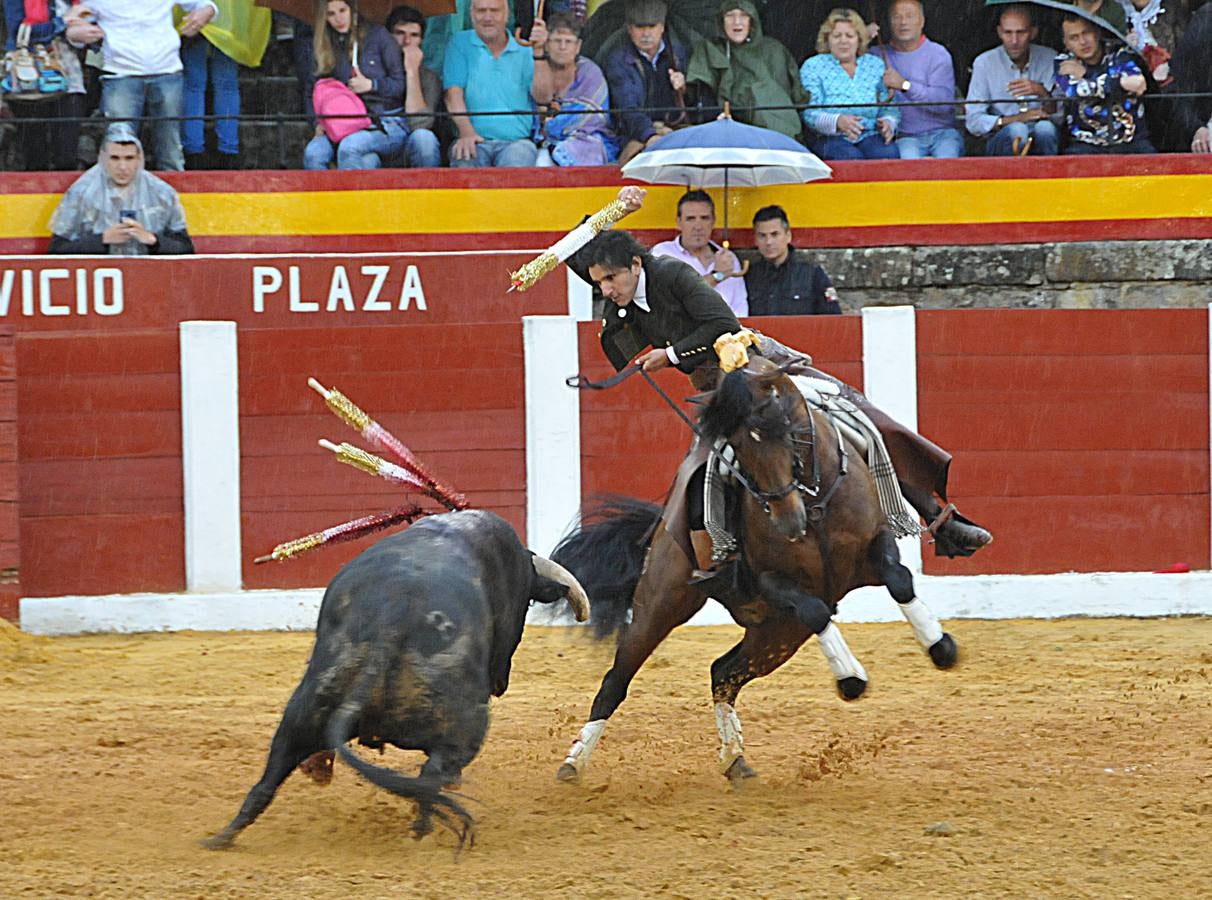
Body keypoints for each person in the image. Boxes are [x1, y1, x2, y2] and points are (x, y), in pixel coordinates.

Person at [569, 186, 992, 578]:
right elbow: (585, 269)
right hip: (716, 387)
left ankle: (943, 520)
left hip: (760, 366)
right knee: (694, 472)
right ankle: (721, 556)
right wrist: (599, 221)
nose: (605, 289)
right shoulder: (625, 304)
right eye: (599, 282)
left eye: (611, 280)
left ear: (635, 265)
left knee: (857, 415)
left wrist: (672, 355)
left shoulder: (673, 274)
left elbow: (722, 323)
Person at [64, 0, 218, 171]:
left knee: (170, 150)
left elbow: (205, 5)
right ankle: (118, 196)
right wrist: (76, 33)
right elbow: (75, 26)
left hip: (167, 71)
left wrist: (206, 13)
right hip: (120, 75)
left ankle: (173, 194)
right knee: (118, 148)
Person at [48, 122, 194, 256]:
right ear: (103, 158)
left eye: (129, 158)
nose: (122, 167)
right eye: (115, 158)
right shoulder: (80, 192)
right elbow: (56, 250)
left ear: (139, 158)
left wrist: (153, 240)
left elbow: (187, 249)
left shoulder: (162, 192)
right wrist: (102, 241)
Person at [442, 0, 551, 167]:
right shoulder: (459, 43)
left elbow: (543, 98)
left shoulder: (524, 48)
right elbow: (452, 95)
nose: (487, 17)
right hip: (472, 139)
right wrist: (466, 132)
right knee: (464, 161)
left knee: (515, 167)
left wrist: (539, 53)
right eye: (481, 11)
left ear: (507, 15)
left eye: (494, 11)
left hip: (517, 143)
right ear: (471, 15)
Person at [304, 0, 408, 170]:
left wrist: (371, 85)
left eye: (342, 10)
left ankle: (348, 196)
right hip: (339, 123)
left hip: (384, 122)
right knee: (313, 153)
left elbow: (400, 85)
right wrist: (317, 122)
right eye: (331, 14)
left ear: (353, 10)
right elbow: (310, 91)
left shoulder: (379, 36)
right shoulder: (324, 43)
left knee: (349, 147)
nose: (338, 18)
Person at [683, 0, 809, 139]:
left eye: (744, 15)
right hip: (730, 131)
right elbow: (702, 93)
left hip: (779, 134)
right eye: (730, 15)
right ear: (721, 21)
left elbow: (796, 97)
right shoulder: (708, 49)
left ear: (752, 20)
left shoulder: (774, 50)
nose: (737, 22)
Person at [180, 0, 272, 170]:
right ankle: (229, 151)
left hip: (193, 13)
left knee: (193, 84)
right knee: (226, 85)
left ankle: (193, 152)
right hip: (231, 17)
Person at [799, 8, 900, 161]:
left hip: (869, 133)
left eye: (850, 36)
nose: (843, 41)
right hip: (828, 137)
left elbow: (890, 107)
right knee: (850, 159)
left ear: (859, 39)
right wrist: (838, 121)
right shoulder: (813, 66)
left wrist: (888, 123)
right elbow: (809, 112)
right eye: (837, 36)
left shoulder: (875, 65)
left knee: (887, 156)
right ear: (827, 39)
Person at [2, 0, 87, 171]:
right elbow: (19, 30)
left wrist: (88, 35)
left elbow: (83, 29)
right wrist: (62, 23)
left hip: (70, 80)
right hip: (30, 81)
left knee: (67, 154)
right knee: (35, 154)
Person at [1052, 12, 1153, 154]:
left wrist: (1086, 76)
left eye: (1086, 33)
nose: (1082, 42)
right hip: (1085, 144)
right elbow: (1075, 91)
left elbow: (1139, 84)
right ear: (1066, 43)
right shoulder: (1063, 62)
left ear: (1097, 32)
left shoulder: (1120, 54)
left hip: (1131, 142)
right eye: (1074, 38)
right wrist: (1119, 83)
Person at [965, 4, 1059, 156]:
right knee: (1018, 130)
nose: (1014, 40)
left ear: (1033, 32)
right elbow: (973, 121)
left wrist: (1042, 92)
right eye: (1008, 33)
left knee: (1045, 129)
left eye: (1021, 32)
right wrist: (1016, 119)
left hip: (1041, 132)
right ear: (999, 32)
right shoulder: (984, 62)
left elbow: (1060, 116)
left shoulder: (1050, 58)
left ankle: (1048, 177)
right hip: (1002, 136)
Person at [602, 0, 687, 165]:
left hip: (675, 130)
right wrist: (650, 135)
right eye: (640, 27)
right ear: (629, 29)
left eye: (652, 26)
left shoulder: (679, 53)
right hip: (635, 136)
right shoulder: (618, 60)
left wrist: (684, 88)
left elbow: (699, 102)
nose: (646, 34)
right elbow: (627, 109)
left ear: (662, 27)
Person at [876, 0, 963, 159]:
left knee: (948, 168)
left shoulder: (938, 54)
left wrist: (905, 85)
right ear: (889, 22)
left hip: (943, 133)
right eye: (897, 17)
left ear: (922, 21)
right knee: (909, 171)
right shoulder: (876, 55)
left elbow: (943, 104)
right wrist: (862, 34)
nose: (903, 22)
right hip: (905, 137)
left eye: (910, 16)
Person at [534, 12, 619, 166]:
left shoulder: (590, 72)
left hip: (585, 141)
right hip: (541, 144)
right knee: (539, 162)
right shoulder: (536, 67)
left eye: (568, 41)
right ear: (546, 44)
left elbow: (588, 118)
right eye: (557, 41)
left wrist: (549, 125)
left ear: (578, 46)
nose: (562, 47)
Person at [651, 190, 747, 316]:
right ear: (679, 222)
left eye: (704, 218)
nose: (698, 226)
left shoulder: (728, 258)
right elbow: (674, 303)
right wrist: (717, 275)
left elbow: (741, 311)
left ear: (713, 221)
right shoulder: (662, 254)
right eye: (690, 219)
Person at [743, 205, 841, 316]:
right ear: (755, 239)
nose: (768, 242)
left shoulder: (812, 274)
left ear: (788, 236)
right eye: (762, 236)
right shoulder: (749, 276)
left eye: (774, 234)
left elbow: (833, 319)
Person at [386, 4, 443, 168]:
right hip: (382, 142)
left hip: (413, 145)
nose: (407, 41)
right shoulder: (375, 69)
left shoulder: (430, 77)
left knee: (425, 139)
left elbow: (420, 124)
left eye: (414, 35)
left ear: (422, 40)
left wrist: (412, 71)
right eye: (400, 33)